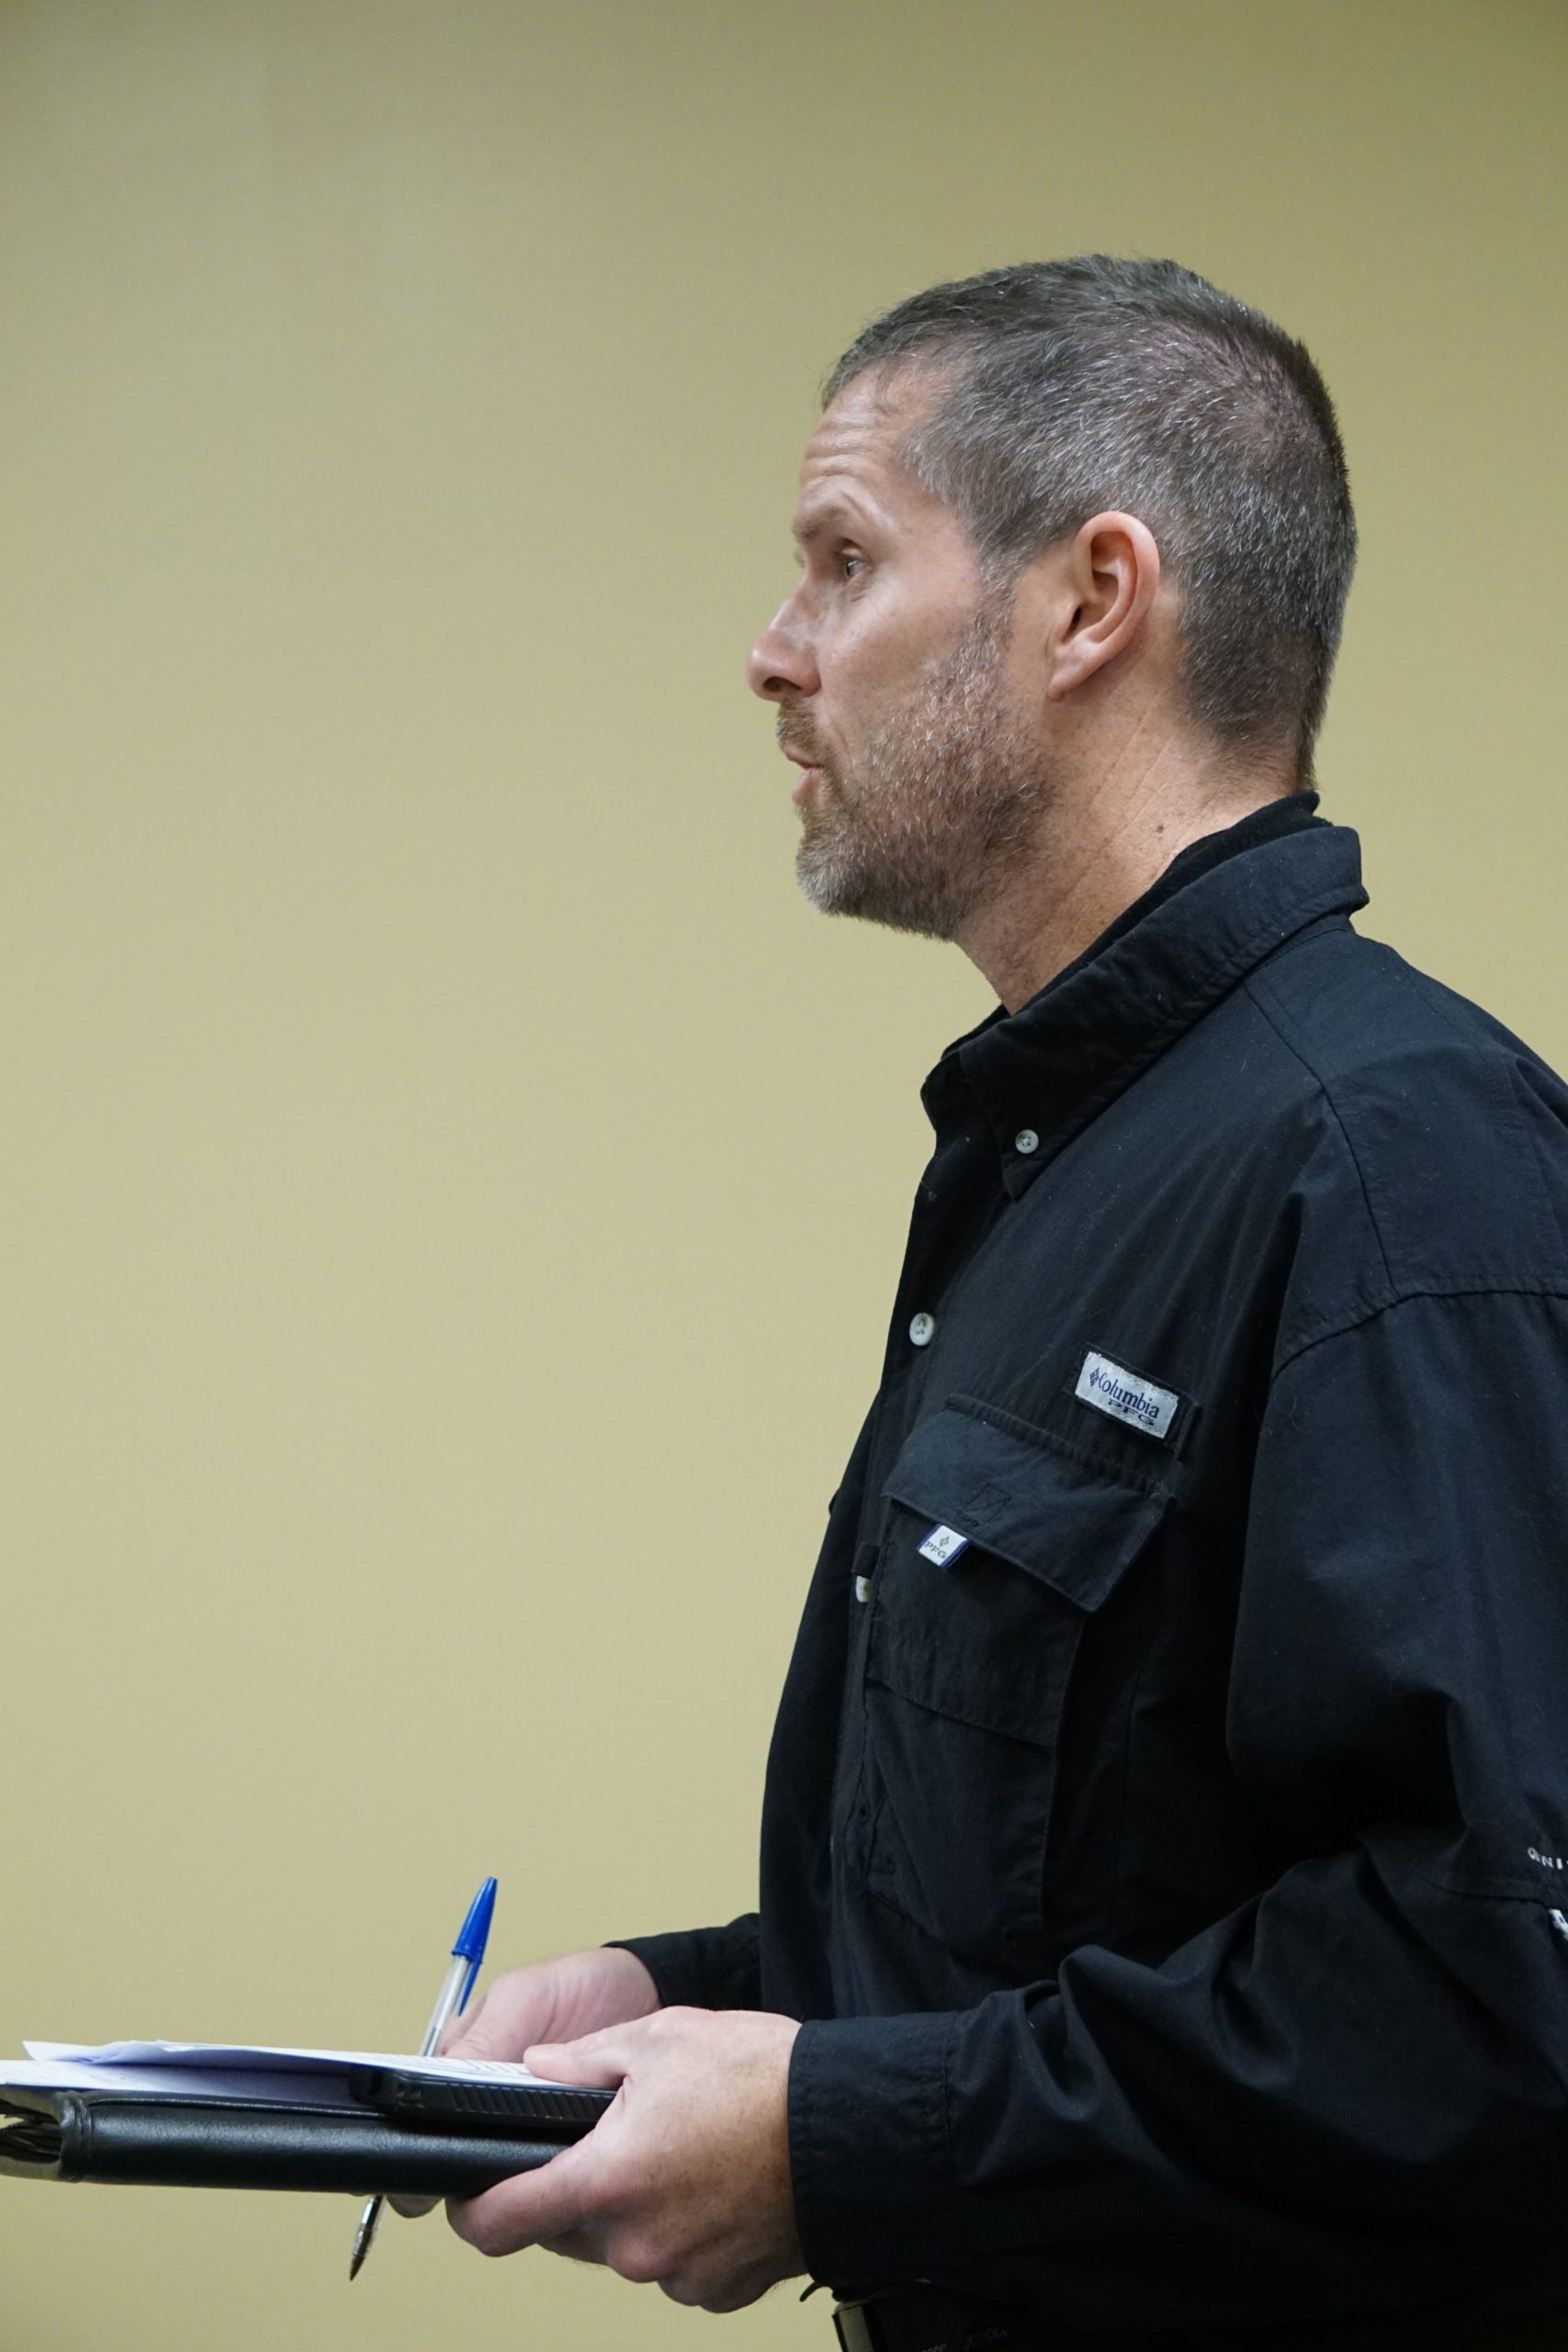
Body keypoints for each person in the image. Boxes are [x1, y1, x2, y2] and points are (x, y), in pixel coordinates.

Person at [432, 260, 1568, 2348]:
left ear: (1088, 600)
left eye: (841, 560)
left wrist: (834, 2129)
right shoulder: (1062, 1152)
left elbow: (1485, 1984)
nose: (770, 655)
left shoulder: (1390, 1155)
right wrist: (709, 2002)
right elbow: (1111, 1897)